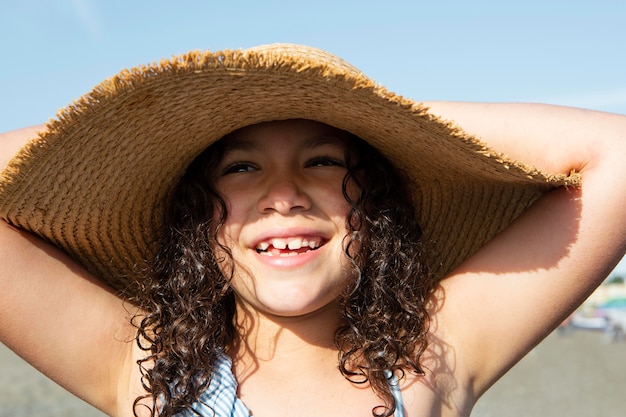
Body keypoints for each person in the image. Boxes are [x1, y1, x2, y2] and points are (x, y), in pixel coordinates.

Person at [0, 44, 624, 417]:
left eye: (324, 160)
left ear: (376, 204)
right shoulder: (144, 366)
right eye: (241, 168)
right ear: (197, 220)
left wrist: (389, 118)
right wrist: (128, 131)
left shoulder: (430, 359)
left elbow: (614, 153)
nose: (283, 195)